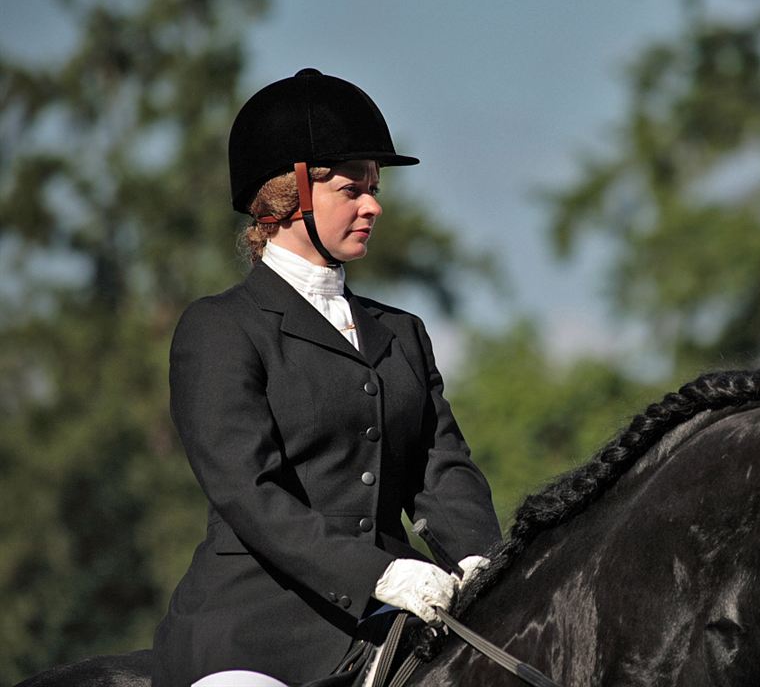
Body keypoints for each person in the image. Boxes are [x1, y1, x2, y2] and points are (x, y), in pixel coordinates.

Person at [151, 68, 502, 687]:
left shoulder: (402, 332)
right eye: (352, 188)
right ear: (292, 198)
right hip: (256, 634)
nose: (374, 205)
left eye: (374, 187)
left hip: (389, 626)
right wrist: (381, 575)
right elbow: (249, 494)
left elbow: (438, 468)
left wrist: (480, 562)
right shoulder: (221, 328)